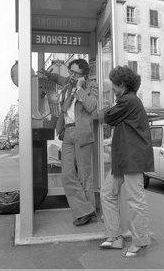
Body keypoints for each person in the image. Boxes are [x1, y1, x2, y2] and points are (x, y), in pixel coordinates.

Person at [98, 65, 154, 257]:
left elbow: (107, 117)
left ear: (122, 84)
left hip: (132, 157)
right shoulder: (128, 100)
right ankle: (115, 236)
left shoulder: (128, 100)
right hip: (124, 158)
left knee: (136, 200)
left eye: (114, 85)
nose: (112, 88)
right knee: (107, 193)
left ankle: (140, 242)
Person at [38, 59, 98, 226]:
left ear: (83, 76)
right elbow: (57, 78)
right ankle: (86, 210)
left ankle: (88, 211)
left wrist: (79, 89)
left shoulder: (90, 87)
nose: (71, 75)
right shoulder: (68, 83)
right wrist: (47, 74)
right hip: (67, 133)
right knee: (66, 175)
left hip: (82, 133)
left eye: (75, 73)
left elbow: (92, 106)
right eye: (70, 72)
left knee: (84, 176)